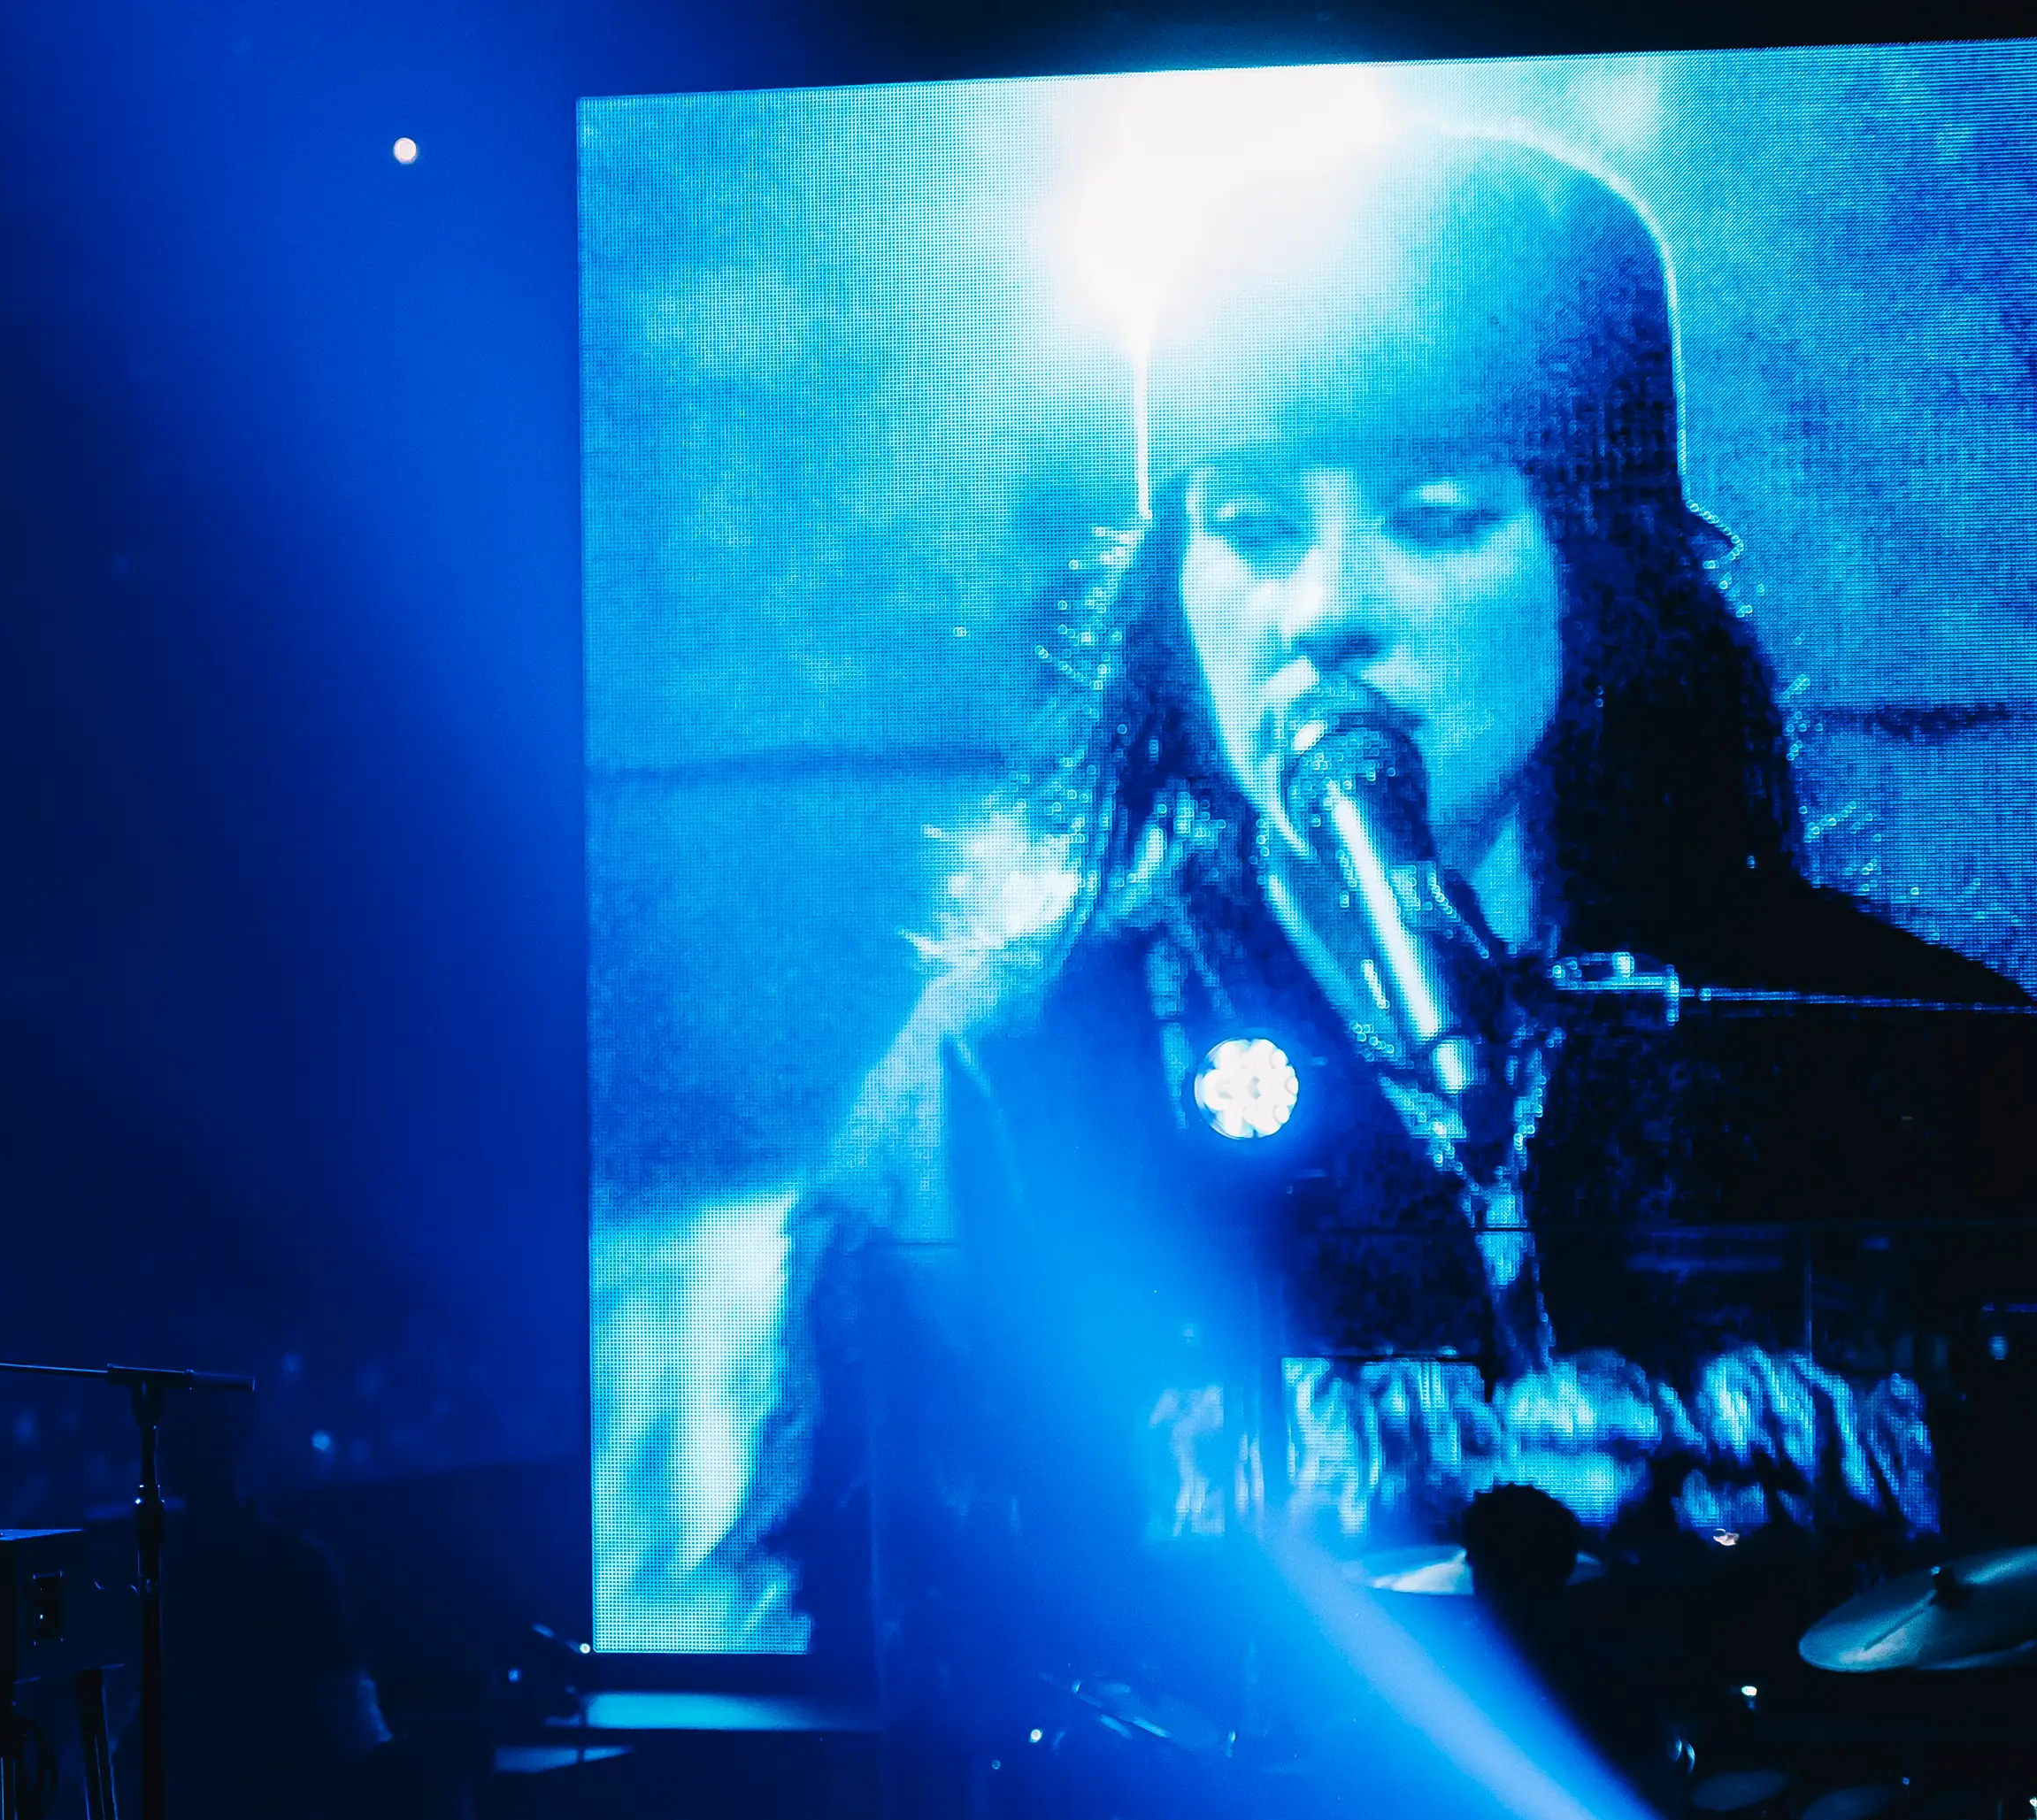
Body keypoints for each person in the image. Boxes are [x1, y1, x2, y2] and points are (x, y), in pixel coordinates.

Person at [762, 133, 2037, 1713]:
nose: (1319, 610)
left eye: (1434, 518)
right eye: (1249, 521)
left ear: (1601, 569)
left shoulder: (1885, 1052)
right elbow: (891, 1675)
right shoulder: (1015, 1074)